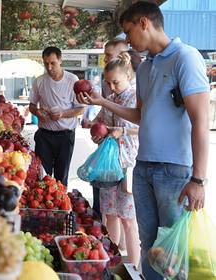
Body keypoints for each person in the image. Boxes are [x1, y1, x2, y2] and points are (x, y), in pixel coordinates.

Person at [77, 2, 209, 279]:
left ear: (144, 23)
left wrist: (198, 180)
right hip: (143, 167)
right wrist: (102, 101)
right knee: (148, 245)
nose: (126, 39)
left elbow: (200, 120)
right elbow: (140, 115)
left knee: (174, 253)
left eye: (128, 31)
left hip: (175, 171)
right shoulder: (147, 68)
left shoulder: (186, 58)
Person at [92, 52, 140, 267]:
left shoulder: (137, 97)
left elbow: (143, 127)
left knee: (128, 219)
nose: (112, 87)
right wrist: (97, 133)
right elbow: (96, 122)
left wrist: (124, 131)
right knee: (109, 213)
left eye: (116, 81)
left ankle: (134, 266)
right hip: (108, 166)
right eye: (108, 82)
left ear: (128, 75)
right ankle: (112, 261)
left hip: (127, 164)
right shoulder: (108, 100)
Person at [29, 46, 85, 187]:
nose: (49, 67)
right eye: (46, 63)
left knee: (62, 177)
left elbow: (81, 109)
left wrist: (62, 114)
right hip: (44, 136)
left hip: (65, 136)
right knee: (42, 176)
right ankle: (44, 208)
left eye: (53, 63)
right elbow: (32, 105)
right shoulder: (39, 81)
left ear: (60, 60)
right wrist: (37, 112)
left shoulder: (73, 80)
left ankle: (61, 206)